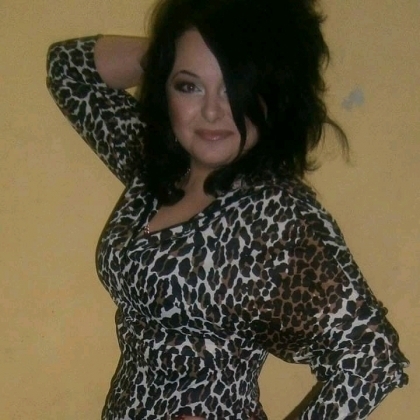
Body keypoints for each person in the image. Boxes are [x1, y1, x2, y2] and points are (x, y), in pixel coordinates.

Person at [46, 0, 409, 419]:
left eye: (235, 85)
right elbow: (69, 69)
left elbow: (372, 359)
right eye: (189, 86)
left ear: (272, 93)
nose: (213, 110)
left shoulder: (277, 215)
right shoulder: (157, 169)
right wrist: (168, 53)